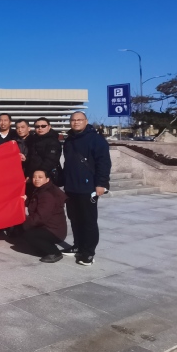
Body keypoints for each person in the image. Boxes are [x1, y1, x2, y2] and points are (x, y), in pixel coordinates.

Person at [62, 111, 111, 266]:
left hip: (88, 187)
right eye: (73, 120)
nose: (76, 122)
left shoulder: (96, 139)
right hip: (71, 186)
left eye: (79, 120)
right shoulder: (69, 140)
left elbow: (104, 163)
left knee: (88, 221)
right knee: (74, 219)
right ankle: (78, 245)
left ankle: (88, 252)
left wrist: (101, 184)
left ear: (86, 121)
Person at [21, 170, 70, 263]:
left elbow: (40, 217)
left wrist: (25, 223)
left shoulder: (47, 194)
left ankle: (54, 253)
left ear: (47, 179)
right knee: (26, 229)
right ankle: (43, 248)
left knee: (28, 235)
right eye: (34, 177)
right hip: (48, 227)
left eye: (40, 177)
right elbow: (37, 206)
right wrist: (26, 201)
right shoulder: (43, 189)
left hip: (54, 231)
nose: (36, 179)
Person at [27, 117, 63, 183]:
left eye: (43, 126)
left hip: (47, 176)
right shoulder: (33, 140)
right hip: (35, 176)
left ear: (49, 127)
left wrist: (40, 174)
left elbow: (51, 160)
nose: (40, 128)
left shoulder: (53, 141)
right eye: (37, 126)